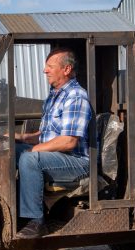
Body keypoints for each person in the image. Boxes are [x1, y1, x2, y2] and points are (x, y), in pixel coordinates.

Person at [13, 46, 92, 238]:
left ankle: (35, 221)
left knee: (29, 159)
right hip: (57, 157)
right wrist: (22, 138)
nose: (44, 70)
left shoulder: (76, 96)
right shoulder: (54, 95)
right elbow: (48, 134)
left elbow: (68, 141)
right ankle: (14, 209)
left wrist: (33, 150)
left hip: (77, 162)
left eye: (50, 66)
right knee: (12, 150)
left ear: (66, 69)